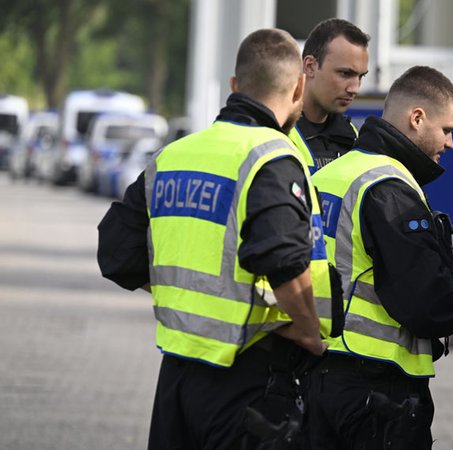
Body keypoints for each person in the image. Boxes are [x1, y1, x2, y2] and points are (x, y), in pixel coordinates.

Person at [96, 28, 341, 450]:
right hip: (249, 381)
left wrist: (192, 297)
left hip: (177, 380)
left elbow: (116, 251)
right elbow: (284, 260)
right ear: (300, 87)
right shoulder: (271, 157)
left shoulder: (174, 156)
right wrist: (307, 333)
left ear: (234, 85)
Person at [306, 66, 453, 449]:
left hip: (316, 377)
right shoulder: (390, 188)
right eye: (447, 130)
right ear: (417, 118)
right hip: (376, 391)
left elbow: (361, 270)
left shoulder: (330, 174)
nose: (451, 143)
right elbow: (424, 300)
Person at [289, 17, 370, 172]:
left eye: (361, 76)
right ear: (310, 66)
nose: (355, 89)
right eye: (345, 73)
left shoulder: (352, 136)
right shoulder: (274, 130)